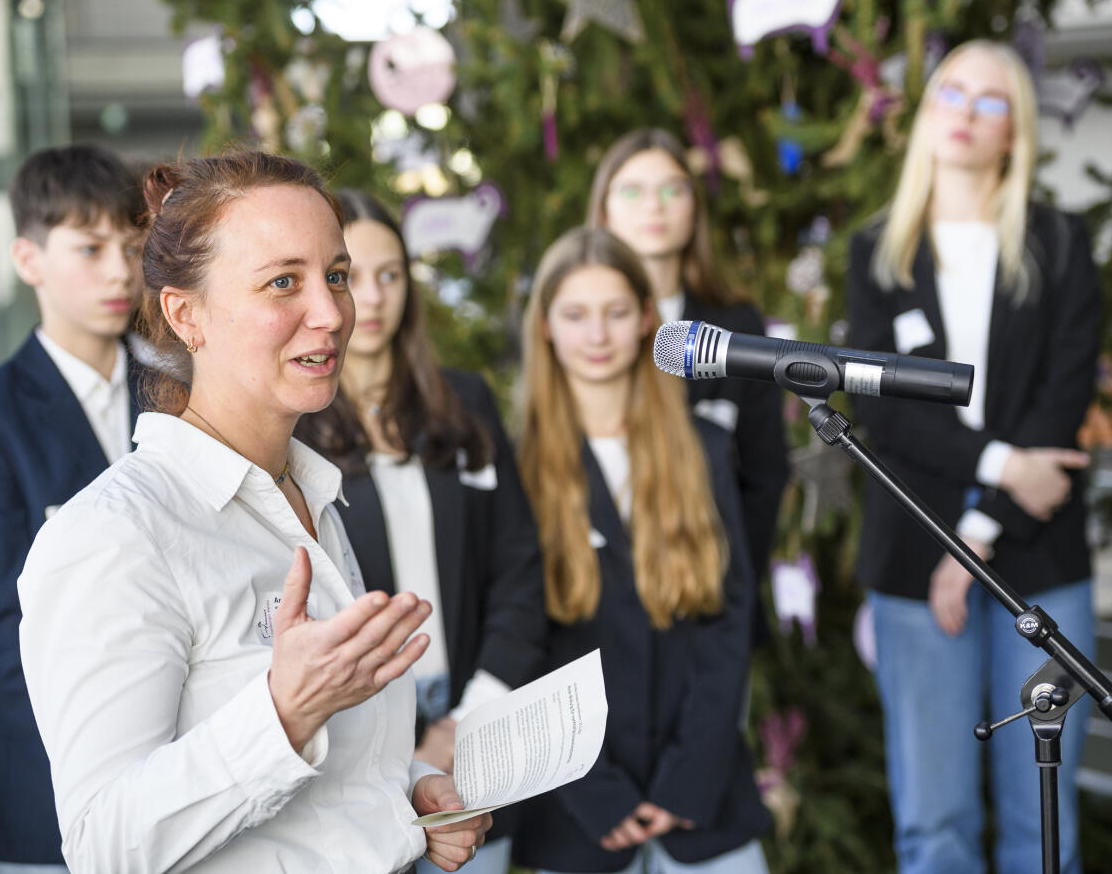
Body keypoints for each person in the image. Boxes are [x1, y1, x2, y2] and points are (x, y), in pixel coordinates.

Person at [16, 151, 490, 873]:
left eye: (336, 276)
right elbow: (105, 846)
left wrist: (407, 794)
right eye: (283, 283)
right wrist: (283, 712)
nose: (332, 313)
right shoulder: (114, 536)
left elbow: (323, 788)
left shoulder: (311, 498)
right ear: (187, 313)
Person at [847, 40, 1100, 874]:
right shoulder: (879, 252)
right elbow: (885, 415)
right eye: (951, 92)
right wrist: (996, 474)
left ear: (1014, 133)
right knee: (936, 822)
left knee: (1040, 816)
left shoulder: (1061, 243)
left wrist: (982, 533)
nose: (965, 112)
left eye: (991, 101)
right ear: (925, 114)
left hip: (1038, 554)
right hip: (917, 562)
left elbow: (1059, 402)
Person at [294, 189, 547, 874]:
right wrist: (403, 752)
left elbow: (519, 569)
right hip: (352, 741)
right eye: (349, 276)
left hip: (473, 718)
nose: (371, 297)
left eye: (391, 275)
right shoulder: (292, 429)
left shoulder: (464, 402)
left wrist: (467, 724)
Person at [511, 227, 771, 874]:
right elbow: (519, 645)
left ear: (648, 320)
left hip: (705, 798)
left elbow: (729, 622)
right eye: (576, 315)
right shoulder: (516, 469)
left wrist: (689, 777)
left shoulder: (704, 448)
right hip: (578, 810)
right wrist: (593, 790)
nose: (597, 336)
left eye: (616, 313)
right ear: (545, 326)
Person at [0, 143, 148, 870]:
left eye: (131, 244)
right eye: (90, 248)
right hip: (56, 797)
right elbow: (3, 645)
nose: (120, 270)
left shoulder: (187, 394)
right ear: (29, 260)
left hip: (205, 786)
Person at [587, 129, 789, 587]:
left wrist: (734, 583)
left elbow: (766, 471)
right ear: (603, 209)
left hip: (712, 590)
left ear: (694, 205)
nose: (653, 206)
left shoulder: (736, 324)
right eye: (632, 191)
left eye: (672, 189)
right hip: (601, 592)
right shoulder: (578, 326)